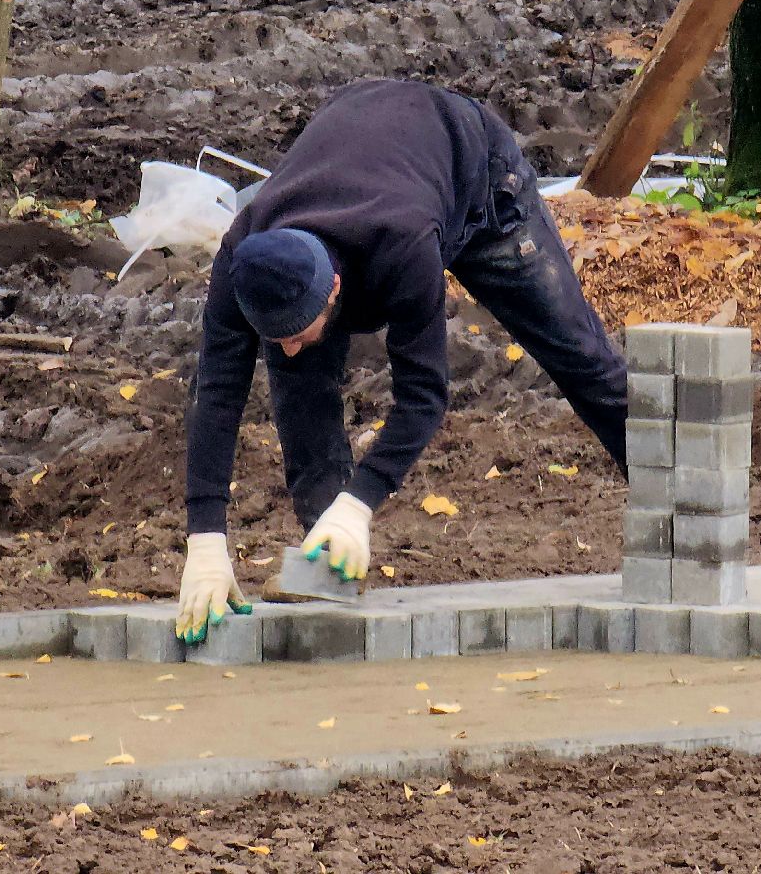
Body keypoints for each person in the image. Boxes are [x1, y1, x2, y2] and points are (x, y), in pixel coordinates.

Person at [174, 79, 628, 644]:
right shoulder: (246, 259)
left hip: (478, 178)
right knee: (302, 381)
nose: (283, 349)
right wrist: (206, 540)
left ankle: (675, 513)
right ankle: (329, 557)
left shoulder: (402, 246)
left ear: (334, 289)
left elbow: (424, 395)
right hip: (368, 148)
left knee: (580, 359)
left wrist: (361, 502)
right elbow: (216, 394)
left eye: (295, 332)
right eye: (274, 337)